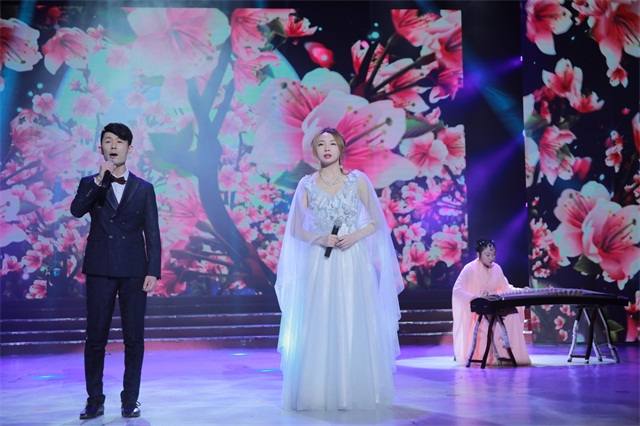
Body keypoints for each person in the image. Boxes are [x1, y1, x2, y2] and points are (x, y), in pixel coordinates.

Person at [275, 127, 404, 411]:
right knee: (319, 319)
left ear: (341, 148)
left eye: (332, 143)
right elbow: (295, 229)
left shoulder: (358, 180)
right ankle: (315, 393)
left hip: (352, 260)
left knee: (353, 317)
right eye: (321, 144)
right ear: (314, 150)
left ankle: (355, 390)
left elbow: (376, 222)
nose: (326, 148)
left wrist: (354, 236)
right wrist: (319, 238)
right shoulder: (306, 185)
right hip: (319, 262)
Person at [70, 122, 161, 419]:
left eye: (119, 141)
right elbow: (76, 210)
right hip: (100, 268)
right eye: (108, 141)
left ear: (129, 149)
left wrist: (153, 270)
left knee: (134, 338)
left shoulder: (144, 188)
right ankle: (94, 399)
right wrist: (100, 179)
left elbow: (152, 232)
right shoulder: (91, 183)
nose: (113, 146)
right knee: (96, 337)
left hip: (134, 269)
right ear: (100, 148)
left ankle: (130, 399)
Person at [451, 238, 531, 367]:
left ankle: (509, 355)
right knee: (487, 322)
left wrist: (522, 291)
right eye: (487, 255)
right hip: (481, 309)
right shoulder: (469, 269)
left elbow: (507, 288)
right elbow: (457, 290)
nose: (491, 258)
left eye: (493, 255)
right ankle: (490, 356)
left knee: (513, 314)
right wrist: (476, 297)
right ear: (478, 254)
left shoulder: (497, 268)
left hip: (496, 305)